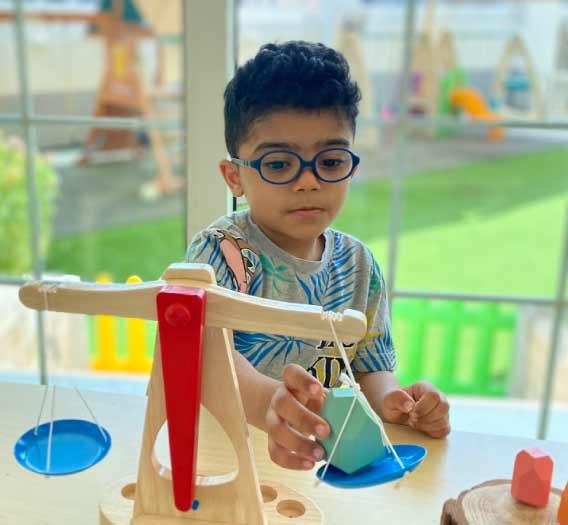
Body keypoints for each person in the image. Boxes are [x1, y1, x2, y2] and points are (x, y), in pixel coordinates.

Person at [185, 41, 450, 471]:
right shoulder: (222, 252)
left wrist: (397, 403)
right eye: (278, 164)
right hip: (219, 457)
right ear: (234, 177)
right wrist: (270, 404)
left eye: (329, 161)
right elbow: (202, 355)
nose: (308, 181)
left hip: (314, 462)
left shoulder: (359, 265)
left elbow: (369, 368)